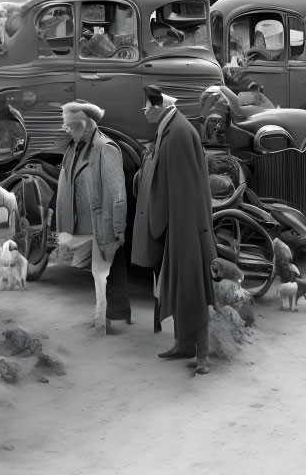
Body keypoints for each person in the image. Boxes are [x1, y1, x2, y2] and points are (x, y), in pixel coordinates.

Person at [132, 85, 216, 374]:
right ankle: (183, 344)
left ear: (158, 107)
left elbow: (183, 187)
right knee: (180, 285)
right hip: (174, 223)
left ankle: (202, 355)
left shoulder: (178, 133)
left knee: (192, 287)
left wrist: (179, 227)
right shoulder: (170, 129)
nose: (143, 112)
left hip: (185, 226)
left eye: (146, 107)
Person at [54, 102, 131, 334]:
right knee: (104, 274)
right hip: (82, 223)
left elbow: (117, 193)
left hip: (100, 223)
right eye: (65, 125)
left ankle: (102, 323)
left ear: (85, 124)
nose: (66, 129)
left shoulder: (105, 148)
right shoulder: (75, 146)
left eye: (70, 125)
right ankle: (107, 318)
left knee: (103, 275)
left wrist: (117, 229)